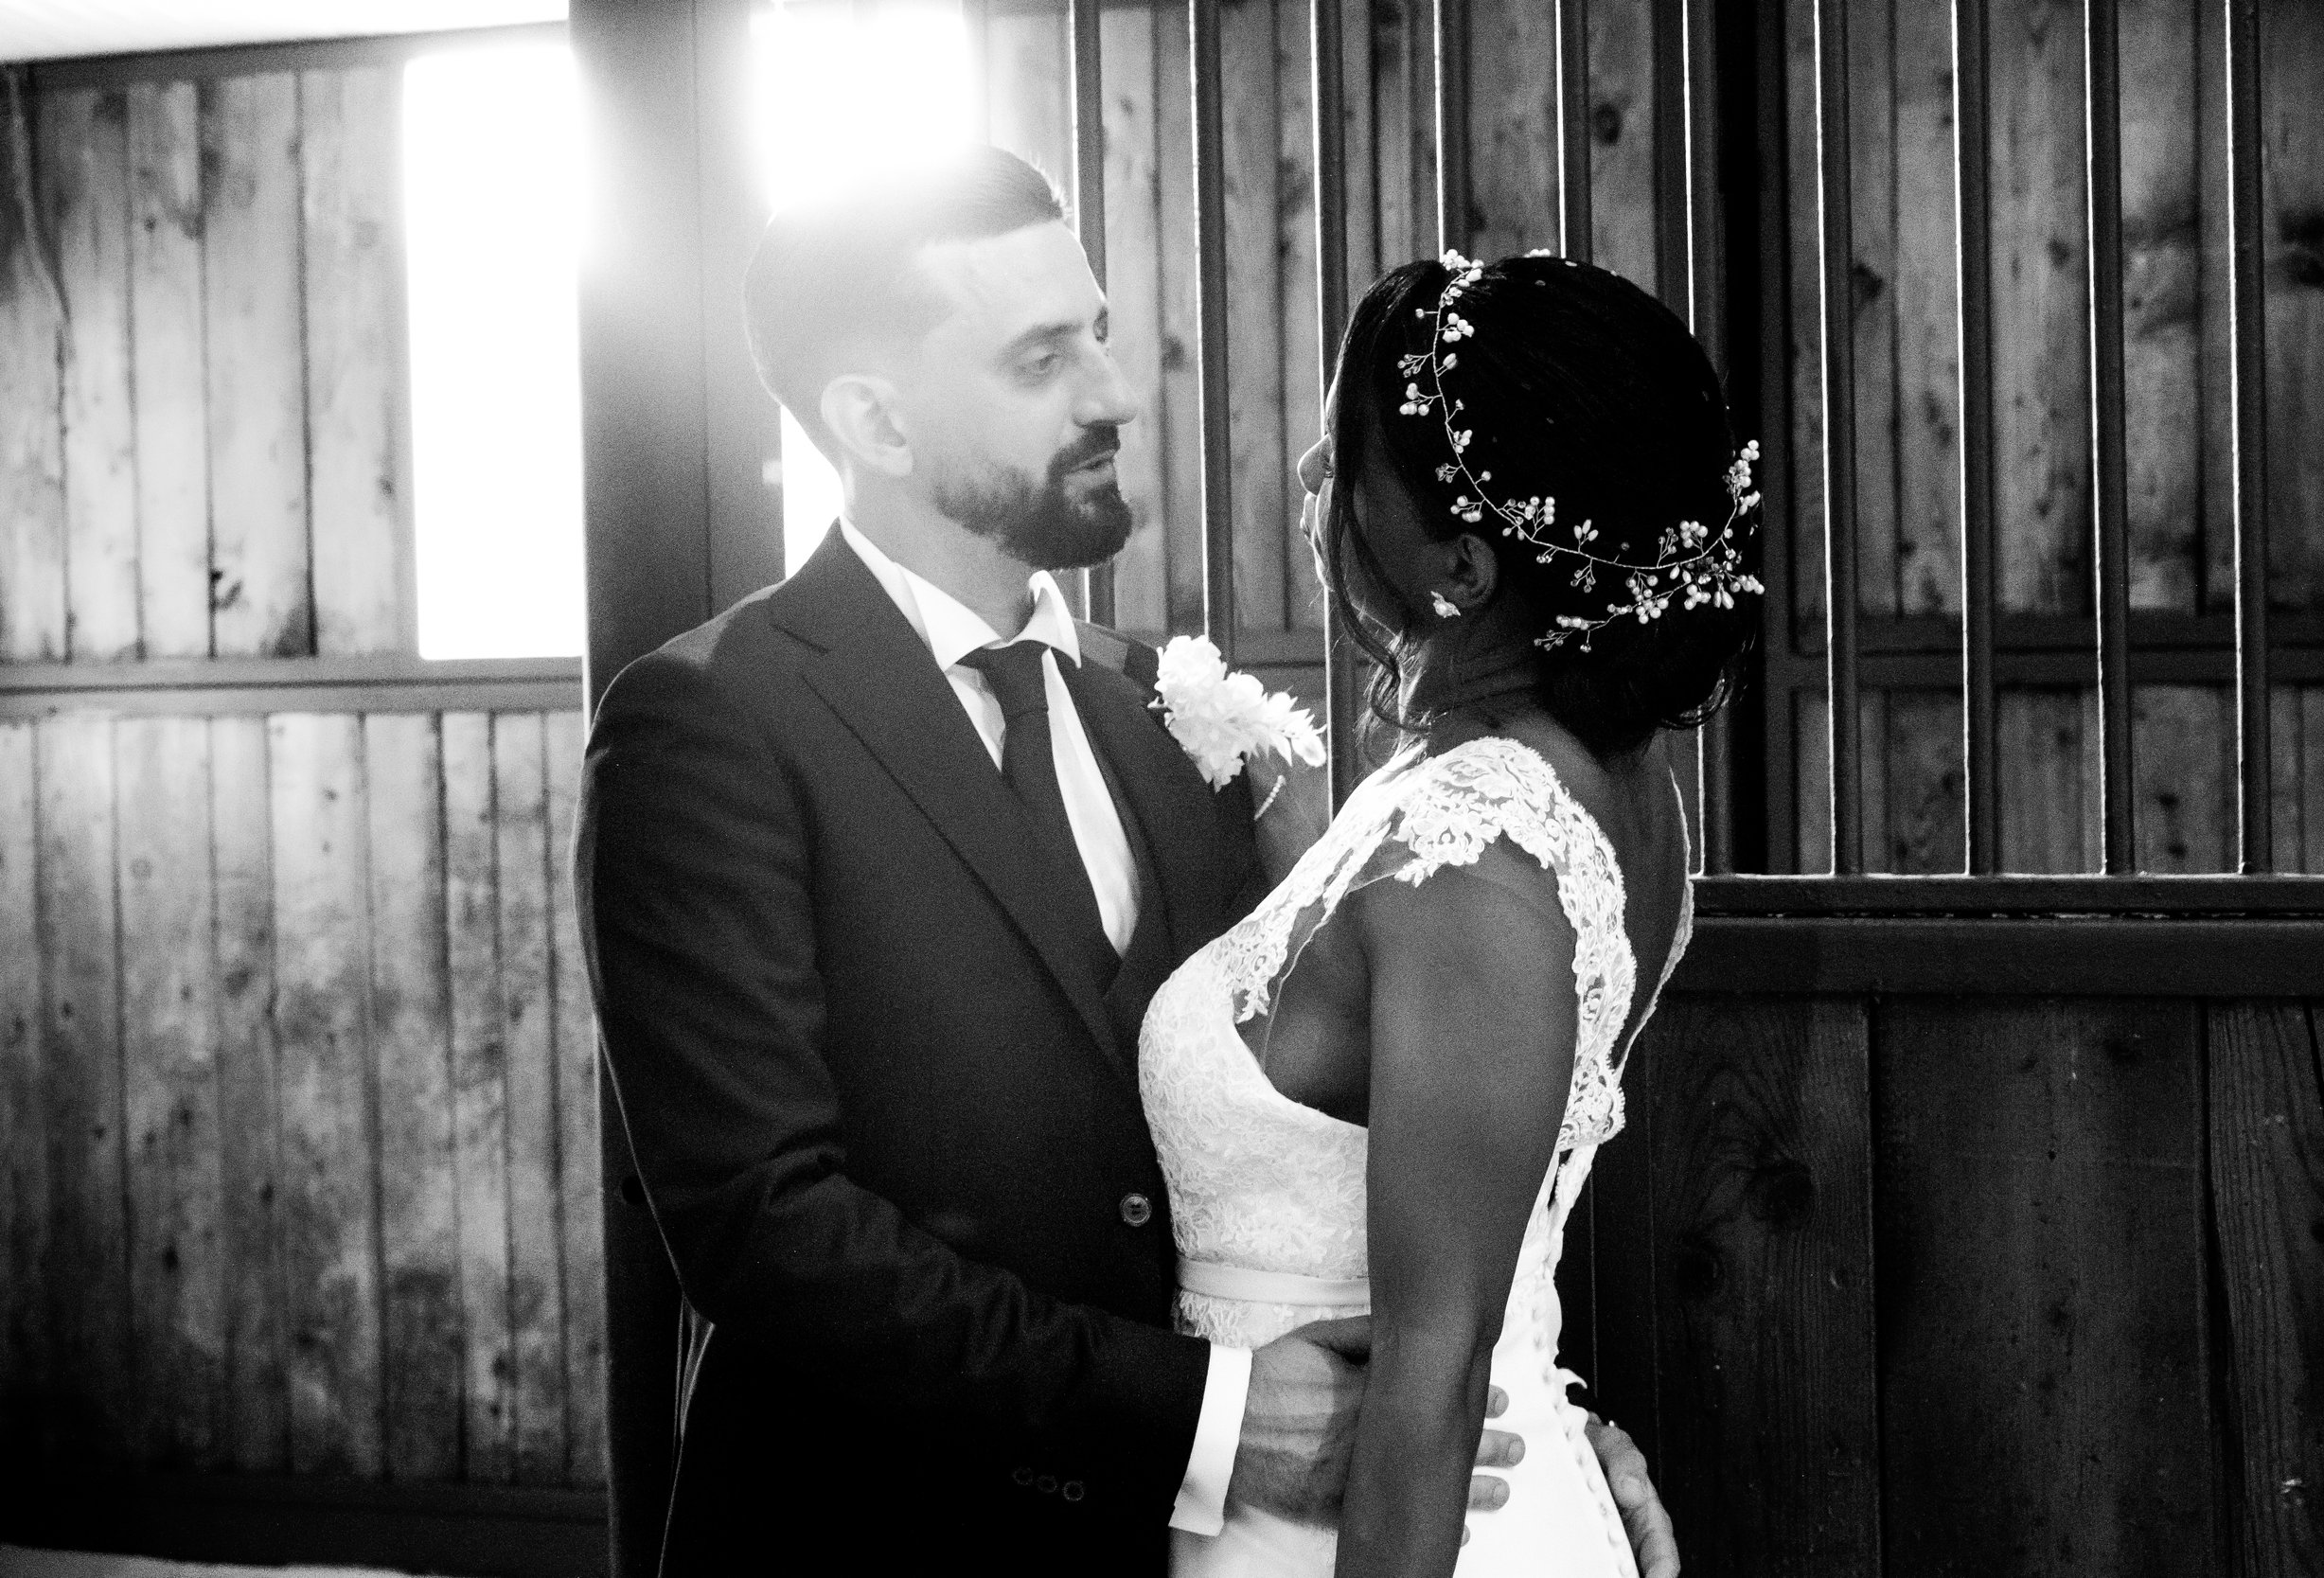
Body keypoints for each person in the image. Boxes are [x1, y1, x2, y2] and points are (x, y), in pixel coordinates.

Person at [575, 148, 1672, 1573]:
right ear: (877, 421)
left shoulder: (1165, 713)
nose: (1112, 392)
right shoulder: (709, 723)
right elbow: (764, 1231)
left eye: (1095, 329)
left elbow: (1360, 1141)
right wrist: (1205, 1420)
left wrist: (1544, 1449)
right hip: (881, 1538)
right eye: (1042, 358)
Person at [1140, 250, 1757, 1575]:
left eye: (1337, 458)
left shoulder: (1468, 866)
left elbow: (1432, 1372)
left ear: (1465, 568)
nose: (1313, 488)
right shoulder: (1578, 779)